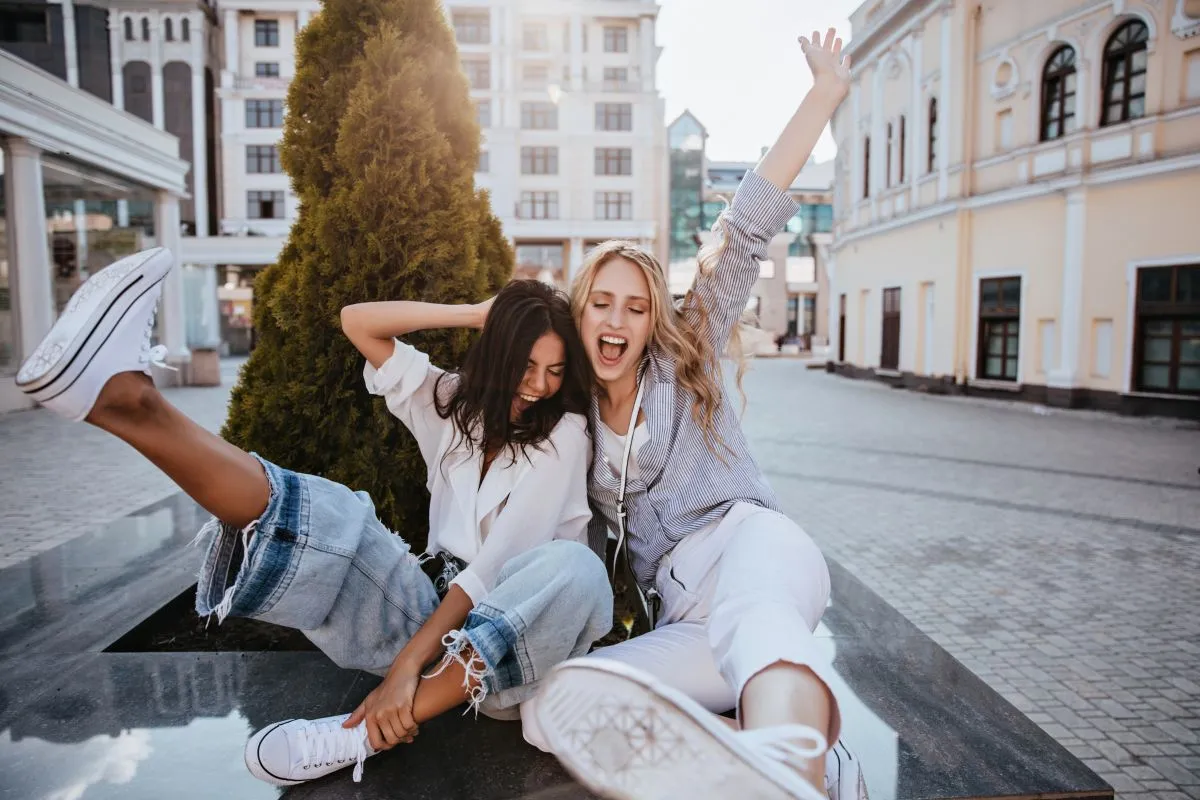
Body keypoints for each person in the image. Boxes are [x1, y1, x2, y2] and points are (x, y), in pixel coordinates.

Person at [14, 251, 613, 787]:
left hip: (514, 653)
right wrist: (479, 313)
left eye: (555, 370)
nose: (539, 386)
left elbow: (490, 570)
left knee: (577, 569)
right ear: (497, 354)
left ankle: (360, 736)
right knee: (336, 511)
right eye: (525, 365)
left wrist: (405, 670)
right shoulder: (454, 404)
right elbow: (359, 322)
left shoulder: (564, 435)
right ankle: (122, 401)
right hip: (427, 612)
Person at [522, 29, 866, 800]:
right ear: (580, 315)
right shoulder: (570, 418)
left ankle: (793, 768)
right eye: (601, 302)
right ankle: (769, 743)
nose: (617, 319)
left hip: (752, 551)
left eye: (636, 306)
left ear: (653, 321)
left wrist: (823, 94)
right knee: (554, 707)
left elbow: (745, 226)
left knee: (761, 626)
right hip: (686, 621)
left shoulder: (683, 361)